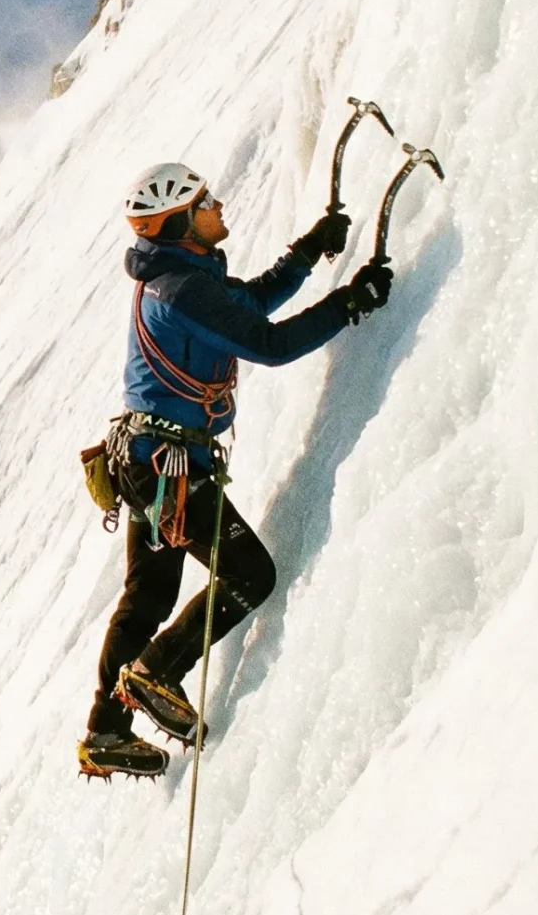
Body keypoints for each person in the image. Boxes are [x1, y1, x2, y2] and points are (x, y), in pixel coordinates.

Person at [76, 162, 393, 780]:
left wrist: (304, 255)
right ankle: (156, 671)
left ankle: (105, 731)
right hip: (170, 471)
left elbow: (246, 304)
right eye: (205, 203)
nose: (218, 207)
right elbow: (267, 343)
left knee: (148, 597)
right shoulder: (184, 291)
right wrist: (348, 303)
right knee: (250, 575)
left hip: (147, 467)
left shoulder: (179, 282)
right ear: (181, 223)